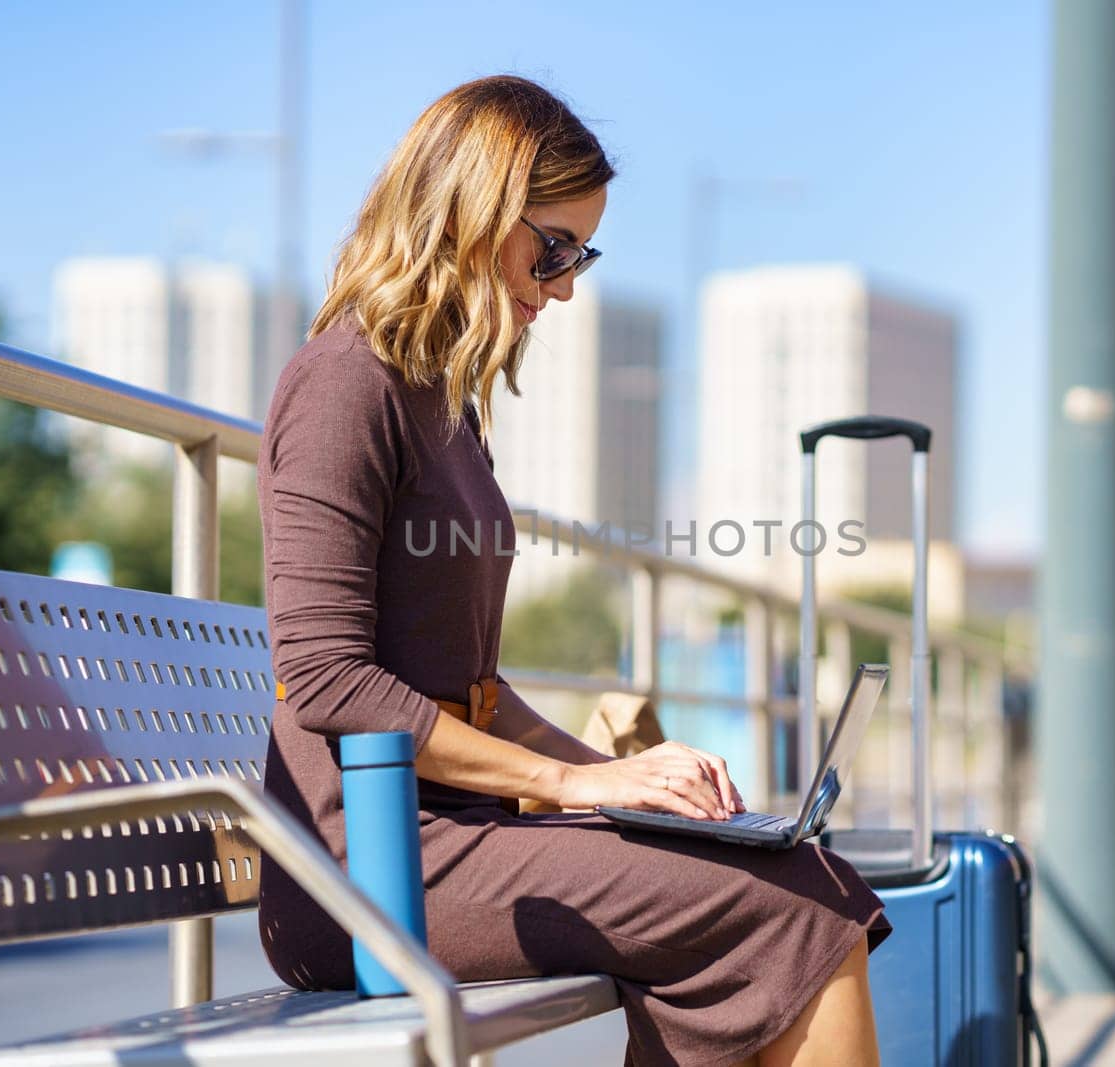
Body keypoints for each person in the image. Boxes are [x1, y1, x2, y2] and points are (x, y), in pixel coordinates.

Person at [256, 74, 890, 1067]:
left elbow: (471, 690)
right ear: (467, 206)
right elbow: (331, 679)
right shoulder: (346, 380)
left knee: (801, 880)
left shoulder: (444, 407)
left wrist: (611, 778)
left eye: (580, 256)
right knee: (791, 908)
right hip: (364, 866)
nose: (562, 284)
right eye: (552, 248)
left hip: (450, 833)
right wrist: (565, 781)